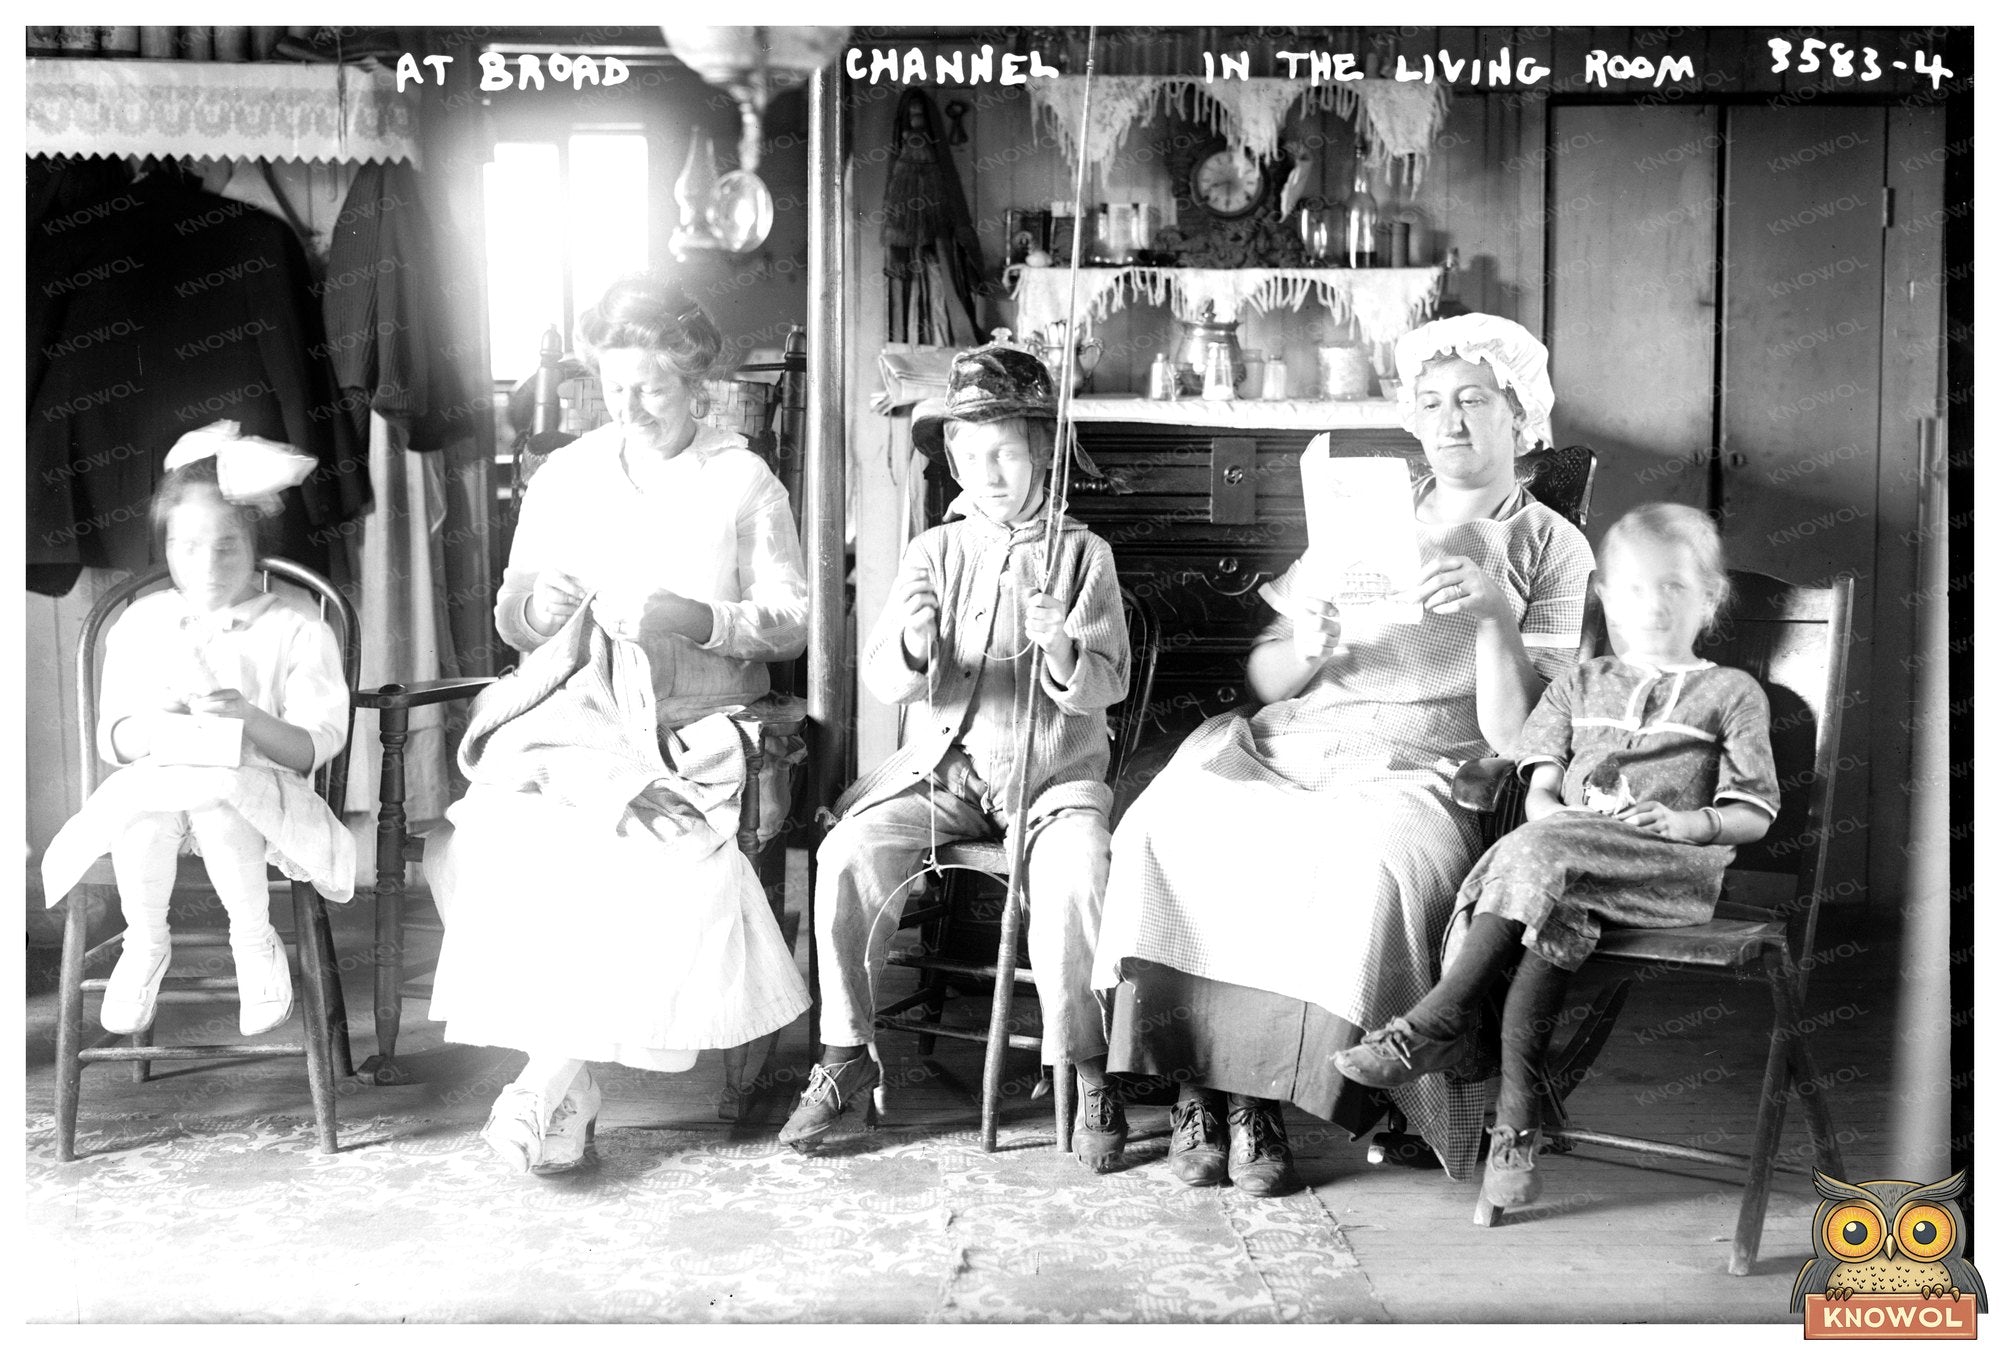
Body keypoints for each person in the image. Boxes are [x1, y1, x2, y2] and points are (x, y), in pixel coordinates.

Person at [1091, 313, 1596, 1194]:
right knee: (1165, 822)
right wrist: (1310, 646)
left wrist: (1494, 618)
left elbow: (1522, 735)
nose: (1450, 421)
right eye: (1432, 402)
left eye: (1474, 400)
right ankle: (1201, 1093)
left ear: (1521, 417)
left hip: (1428, 767)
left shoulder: (1551, 544)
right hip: (1299, 742)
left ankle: (1268, 1099)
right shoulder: (1369, 514)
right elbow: (1268, 675)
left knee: (1365, 862)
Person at [425, 275, 811, 1175]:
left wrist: (692, 617)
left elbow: (792, 619)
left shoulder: (741, 479)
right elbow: (513, 617)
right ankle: (569, 1089)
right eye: (615, 385)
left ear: (696, 383)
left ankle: (544, 1087)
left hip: (694, 721)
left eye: (653, 388)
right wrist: (536, 606)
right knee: (505, 844)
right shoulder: (567, 474)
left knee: (662, 865)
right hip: (579, 716)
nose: (631, 406)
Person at [1334, 503, 1776, 1210]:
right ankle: (1516, 1129)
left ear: (1710, 599)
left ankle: (1438, 1019)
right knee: (1548, 916)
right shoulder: (1577, 684)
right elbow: (1539, 789)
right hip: (1567, 874)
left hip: (1666, 870)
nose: (1653, 606)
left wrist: (1691, 823)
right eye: (1634, 588)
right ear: (1604, 598)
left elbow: (1754, 813)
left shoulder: (1731, 693)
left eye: (1675, 588)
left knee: (1537, 857)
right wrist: (1561, 823)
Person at [778, 344, 1132, 1171]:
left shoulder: (1083, 554)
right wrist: (910, 641)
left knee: (1080, 875)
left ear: (1042, 450)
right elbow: (884, 679)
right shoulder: (934, 551)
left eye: (1005, 451)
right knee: (848, 853)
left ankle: (1085, 1068)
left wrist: (1061, 649)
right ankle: (845, 1054)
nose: (988, 472)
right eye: (968, 455)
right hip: (948, 776)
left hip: (1053, 782)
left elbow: (1106, 684)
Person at [40, 426, 354, 1038]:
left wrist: (249, 719)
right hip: (161, 780)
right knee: (143, 809)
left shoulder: (294, 625)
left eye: (227, 548)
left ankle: (253, 940)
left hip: (262, 796)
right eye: (187, 547)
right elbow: (116, 740)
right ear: (167, 547)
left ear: (257, 547)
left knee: (218, 798)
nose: (207, 566)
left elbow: (314, 745)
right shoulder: (142, 622)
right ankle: (147, 941)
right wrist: (155, 728)